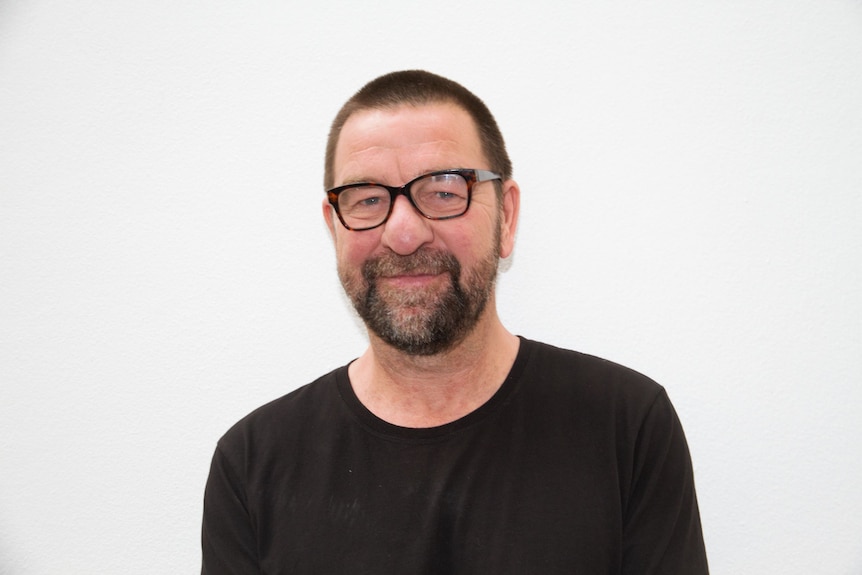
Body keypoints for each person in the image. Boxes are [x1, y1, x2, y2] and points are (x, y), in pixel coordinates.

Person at [201, 70, 709, 574]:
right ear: (334, 226)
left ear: (505, 218)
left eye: (444, 191)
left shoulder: (627, 427)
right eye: (368, 199)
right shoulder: (252, 464)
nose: (403, 234)